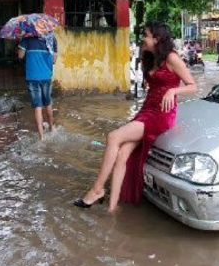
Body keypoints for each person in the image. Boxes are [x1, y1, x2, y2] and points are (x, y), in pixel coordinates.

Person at [75, 22, 197, 212]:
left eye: (146, 35)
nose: (143, 39)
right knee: (122, 153)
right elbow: (153, 83)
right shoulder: (149, 56)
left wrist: (173, 90)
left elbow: (192, 86)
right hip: (147, 109)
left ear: (157, 39)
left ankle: (97, 189)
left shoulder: (172, 58)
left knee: (113, 137)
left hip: (162, 114)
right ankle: (112, 209)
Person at [18, 33, 58, 139]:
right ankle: (52, 128)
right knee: (48, 103)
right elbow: (54, 60)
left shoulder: (27, 38)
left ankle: (41, 137)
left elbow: (20, 56)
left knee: (38, 107)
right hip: (46, 76)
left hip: (32, 77)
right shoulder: (52, 38)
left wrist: (21, 41)